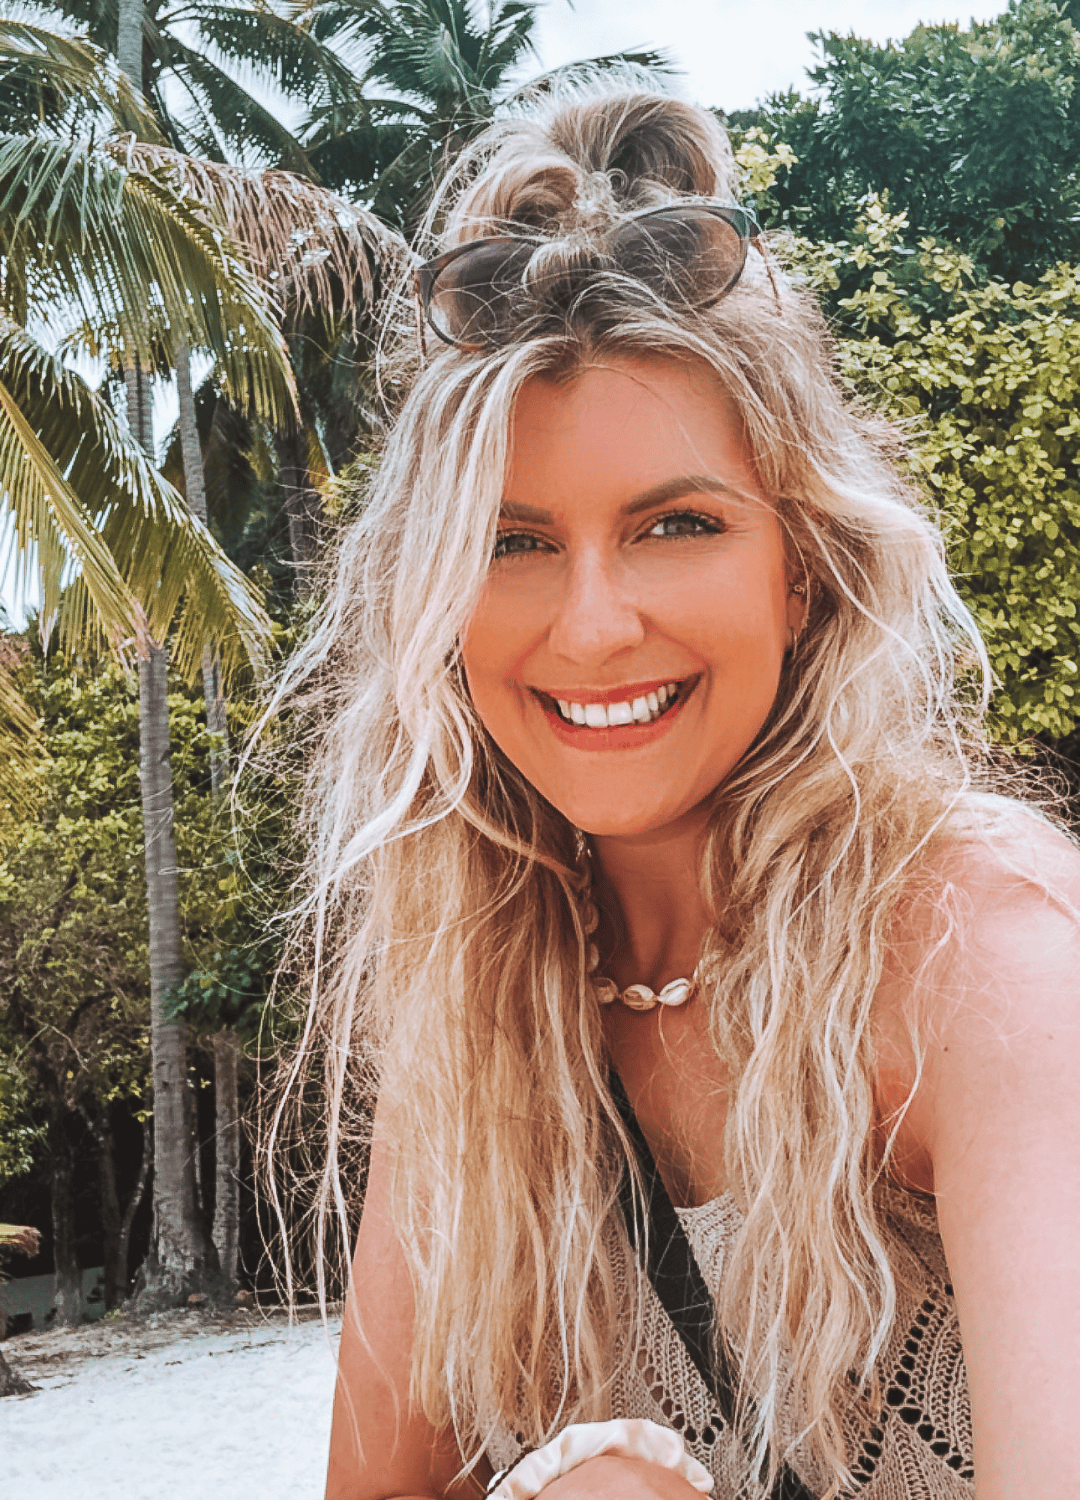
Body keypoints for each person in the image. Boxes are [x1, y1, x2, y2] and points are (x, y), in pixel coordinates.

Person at [278, 88, 1080, 1500]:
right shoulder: (480, 1009)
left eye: (677, 525)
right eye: (514, 543)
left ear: (804, 570)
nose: (592, 629)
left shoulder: (983, 959)